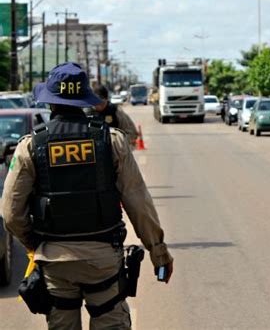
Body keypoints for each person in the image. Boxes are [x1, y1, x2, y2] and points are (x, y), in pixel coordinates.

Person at [2, 62, 173, 329]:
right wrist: (158, 251)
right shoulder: (112, 141)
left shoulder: (30, 146)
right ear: (84, 101)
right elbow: (138, 203)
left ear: (51, 103)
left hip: (55, 261)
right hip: (103, 260)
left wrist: (34, 244)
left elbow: (11, 213)